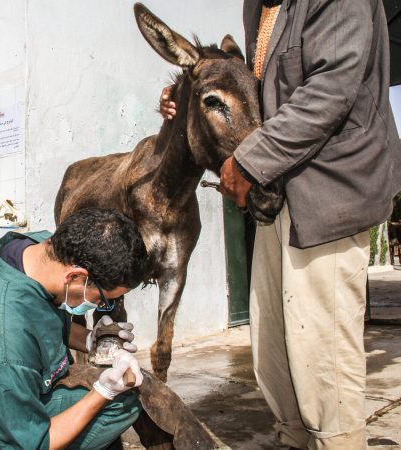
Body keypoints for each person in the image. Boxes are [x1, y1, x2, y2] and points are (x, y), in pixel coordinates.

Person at [160, 0, 401, 449]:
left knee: (320, 352)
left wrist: (248, 161)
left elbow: (330, 89)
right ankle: (294, 439)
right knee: (274, 347)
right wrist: (181, 96)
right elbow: (251, 85)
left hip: (329, 192)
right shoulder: (258, 7)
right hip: (276, 192)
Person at [0, 207, 149, 449]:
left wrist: (91, 340)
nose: (101, 306)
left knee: (132, 393)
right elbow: (34, 445)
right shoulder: (2, 342)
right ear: (75, 277)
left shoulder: (42, 251)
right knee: (119, 403)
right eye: (103, 298)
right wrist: (104, 391)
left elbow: (39, 314)